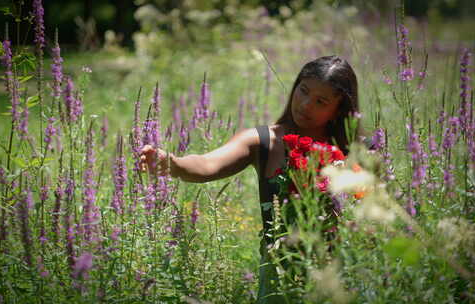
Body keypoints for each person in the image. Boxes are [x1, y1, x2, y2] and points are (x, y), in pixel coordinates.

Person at [139, 55, 361, 303]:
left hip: (341, 277)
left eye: (320, 101)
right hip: (279, 275)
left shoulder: (356, 155)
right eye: (303, 91)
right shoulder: (263, 142)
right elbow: (208, 163)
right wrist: (173, 164)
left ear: (338, 110)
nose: (305, 104)